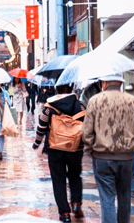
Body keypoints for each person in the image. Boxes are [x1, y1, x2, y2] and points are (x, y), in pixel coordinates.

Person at [82, 74, 134, 223]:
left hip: (102, 156)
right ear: (121, 83)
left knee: (107, 199)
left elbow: (87, 131)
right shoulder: (133, 101)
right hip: (126, 157)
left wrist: (89, 148)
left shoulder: (95, 101)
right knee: (124, 196)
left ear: (104, 82)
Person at [33, 84, 85, 222]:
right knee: (75, 176)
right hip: (75, 149)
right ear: (71, 88)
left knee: (58, 180)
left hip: (55, 149)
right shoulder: (80, 106)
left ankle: (65, 213)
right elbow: (87, 127)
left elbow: (41, 127)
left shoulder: (49, 108)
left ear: (57, 88)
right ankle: (76, 203)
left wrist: (36, 144)